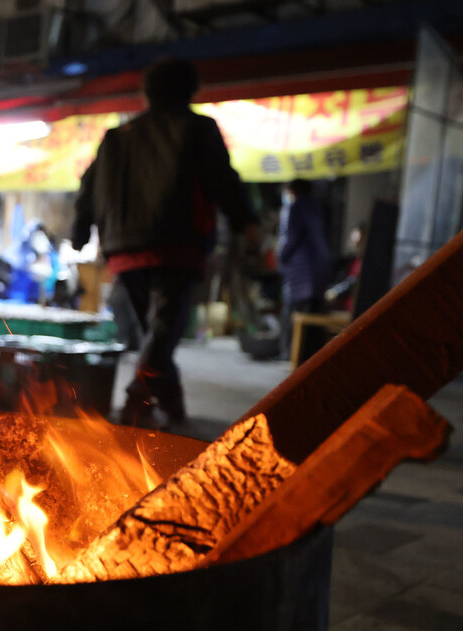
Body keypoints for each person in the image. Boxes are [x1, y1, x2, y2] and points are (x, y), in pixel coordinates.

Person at [72, 58, 259, 428]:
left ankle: (173, 409)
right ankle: (134, 402)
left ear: (147, 93)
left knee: (157, 335)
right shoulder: (198, 128)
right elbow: (222, 179)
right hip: (177, 246)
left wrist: (80, 232)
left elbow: (88, 188)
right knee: (162, 335)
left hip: (123, 250)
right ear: (191, 91)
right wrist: (245, 222)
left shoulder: (117, 137)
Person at [276, 179, 332, 361]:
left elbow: (289, 239)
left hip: (300, 274)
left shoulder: (295, 208)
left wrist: (280, 257)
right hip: (317, 274)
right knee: (312, 321)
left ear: (292, 191)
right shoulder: (316, 208)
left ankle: (292, 356)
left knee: (296, 318)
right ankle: (311, 358)